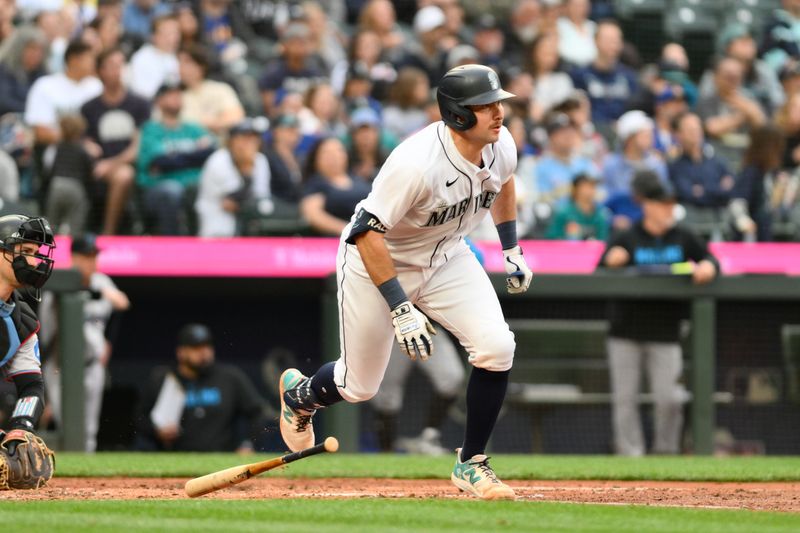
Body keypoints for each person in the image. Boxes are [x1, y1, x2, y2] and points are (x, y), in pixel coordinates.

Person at [278, 65, 532, 500]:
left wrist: (510, 248)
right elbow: (366, 231)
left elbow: (502, 183)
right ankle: (300, 397)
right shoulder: (416, 163)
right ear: (457, 115)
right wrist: (400, 307)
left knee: (497, 347)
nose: (497, 113)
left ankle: (471, 464)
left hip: (447, 257)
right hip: (376, 262)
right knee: (360, 386)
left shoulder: (500, 143)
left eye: (497, 102)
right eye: (484, 106)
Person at [598, 171, 719, 456]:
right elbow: (601, 267)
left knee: (669, 399)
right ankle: (631, 456)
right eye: (663, 203)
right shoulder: (627, 235)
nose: (668, 209)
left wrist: (709, 267)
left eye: (671, 204)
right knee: (625, 400)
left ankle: (666, 453)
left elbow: (710, 258)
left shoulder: (683, 236)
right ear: (648, 205)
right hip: (625, 331)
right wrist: (612, 260)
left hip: (666, 332)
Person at [39, 233, 130, 452]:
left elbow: (122, 303)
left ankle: (87, 482)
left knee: (89, 430)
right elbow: (48, 334)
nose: (92, 261)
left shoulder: (101, 281)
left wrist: (96, 291)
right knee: (69, 427)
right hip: (62, 366)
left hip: (93, 364)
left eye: (94, 256)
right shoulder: (57, 285)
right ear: (74, 257)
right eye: (87, 256)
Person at [135, 323, 266, 452]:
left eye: (207, 346)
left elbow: (257, 412)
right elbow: (140, 418)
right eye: (195, 348)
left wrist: (248, 444)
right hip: (175, 456)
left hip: (221, 458)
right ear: (181, 352)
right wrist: (157, 432)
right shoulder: (163, 378)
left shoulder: (230, 377)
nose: (204, 353)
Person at [0, 214, 56, 486]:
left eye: (35, 254)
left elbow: (32, 386)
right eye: (24, 252)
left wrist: (20, 427)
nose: (33, 262)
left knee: (24, 467)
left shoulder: (23, 321)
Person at [81, 48, 151, 235]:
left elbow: (138, 146)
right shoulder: (89, 107)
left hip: (131, 164)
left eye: (121, 65)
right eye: (112, 66)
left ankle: (108, 233)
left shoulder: (140, 104)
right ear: (100, 71)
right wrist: (87, 146)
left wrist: (110, 164)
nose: (118, 71)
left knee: (124, 175)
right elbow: (86, 141)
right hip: (97, 166)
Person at [137, 81, 215, 235]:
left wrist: (175, 157)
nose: (176, 98)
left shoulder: (193, 128)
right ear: (159, 101)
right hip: (159, 188)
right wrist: (194, 155)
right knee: (172, 191)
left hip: (194, 186)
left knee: (201, 189)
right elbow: (161, 162)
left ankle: (201, 243)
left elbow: (211, 153)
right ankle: (171, 243)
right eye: (170, 95)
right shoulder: (151, 129)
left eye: (179, 94)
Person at [195, 117, 273, 237]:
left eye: (254, 138)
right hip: (217, 218)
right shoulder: (218, 160)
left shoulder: (260, 160)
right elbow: (230, 202)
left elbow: (261, 196)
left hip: (248, 219)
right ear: (231, 141)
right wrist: (248, 171)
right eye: (245, 137)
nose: (250, 143)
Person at [43, 114, 94, 236]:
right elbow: (89, 169)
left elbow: (48, 168)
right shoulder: (82, 149)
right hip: (76, 186)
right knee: (75, 223)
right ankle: (74, 248)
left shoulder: (56, 148)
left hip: (57, 185)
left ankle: (49, 248)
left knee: (52, 223)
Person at [545, 173, 610, 240]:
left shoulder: (600, 215)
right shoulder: (563, 213)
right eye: (586, 187)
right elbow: (552, 238)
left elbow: (603, 240)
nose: (590, 191)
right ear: (575, 189)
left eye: (592, 187)